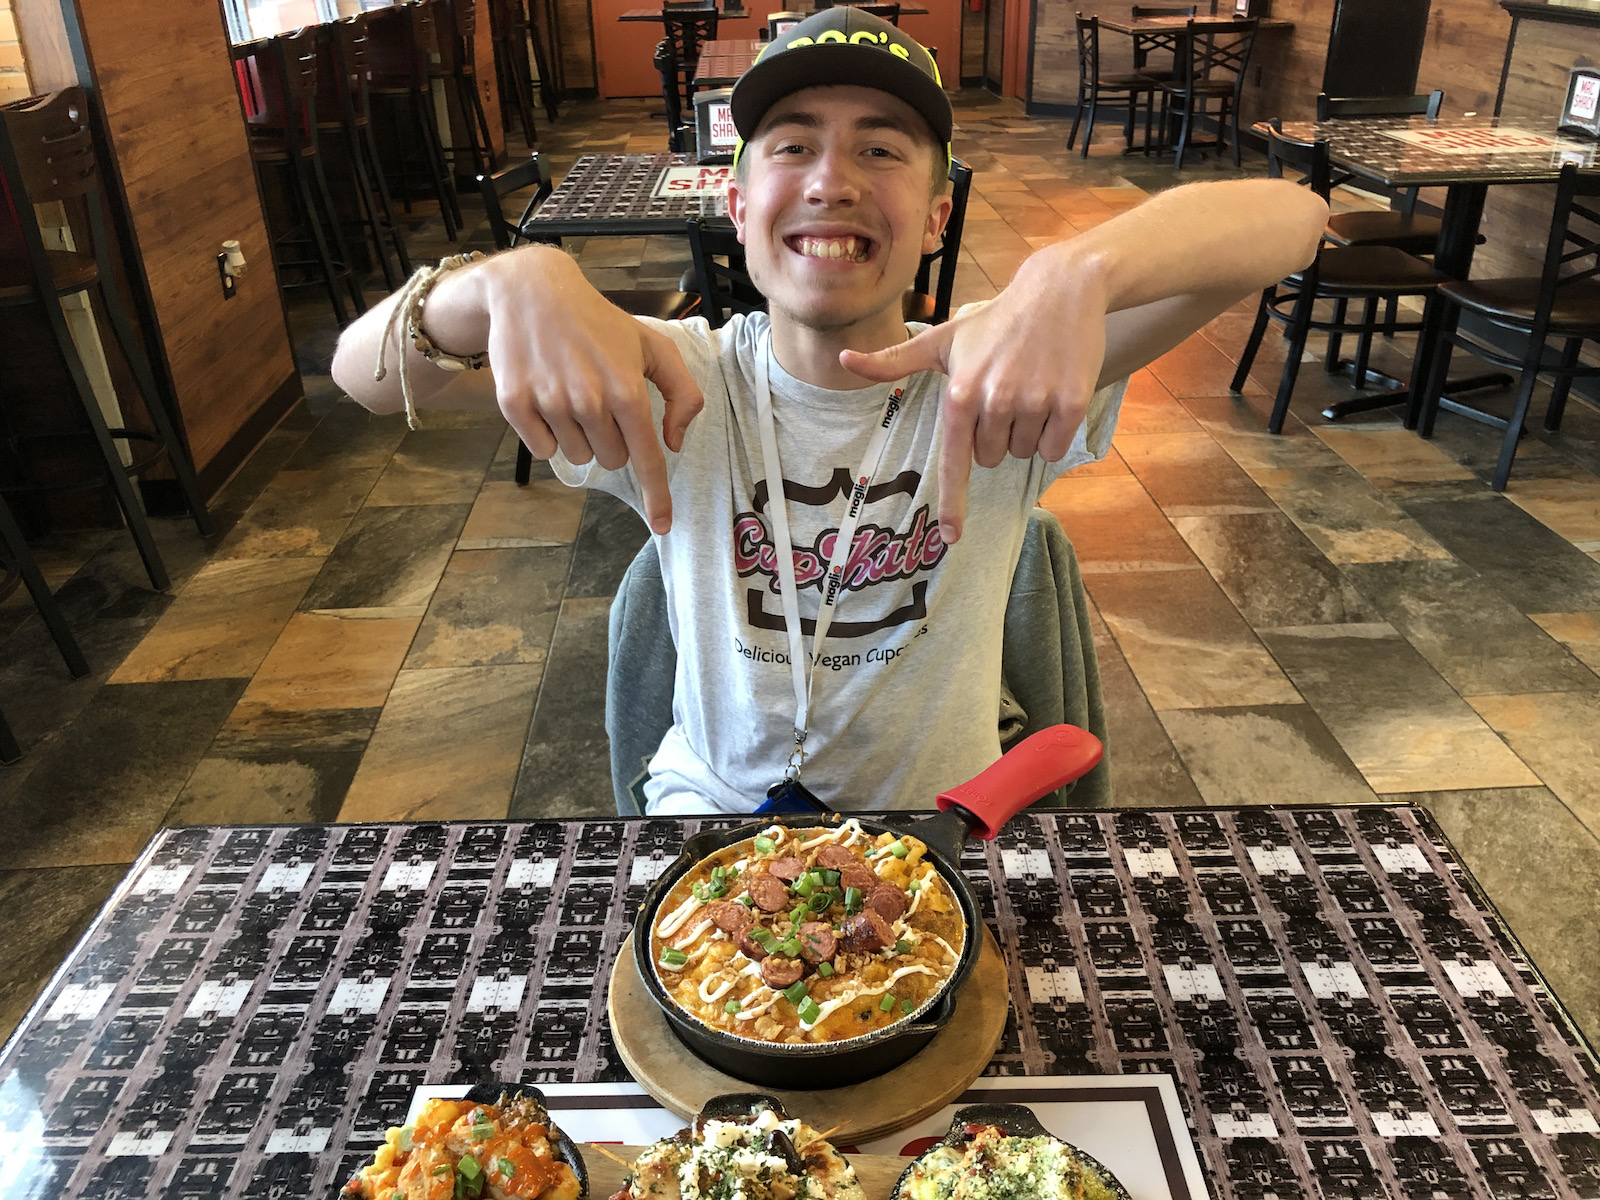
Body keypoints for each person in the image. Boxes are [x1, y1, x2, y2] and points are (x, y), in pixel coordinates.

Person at [332, 9, 1327, 816]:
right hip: (709, 821)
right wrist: (508, 282)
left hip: (937, 829)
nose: (831, 181)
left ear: (939, 216)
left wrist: (1082, 268)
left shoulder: (996, 372)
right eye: (792, 145)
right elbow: (360, 376)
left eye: (882, 150)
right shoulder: (677, 378)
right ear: (735, 202)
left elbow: (1294, 222)